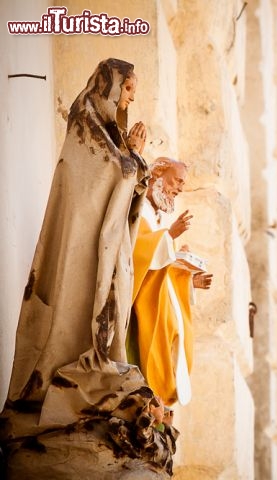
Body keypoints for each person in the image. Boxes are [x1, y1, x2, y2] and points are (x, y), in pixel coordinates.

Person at [3, 59, 151, 424]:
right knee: (75, 304)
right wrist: (131, 158)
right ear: (110, 84)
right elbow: (107, 173)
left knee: (104, 307)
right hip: (80, 243)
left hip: (103, 244)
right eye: (127, 89)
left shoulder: (112, 131)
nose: (130, 98)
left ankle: (97, 370)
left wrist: (135, 160)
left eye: (133, 91)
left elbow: (125, 178)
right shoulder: (85, 120)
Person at [130, 157, 213, 406]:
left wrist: (188, 280)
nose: (178, 189)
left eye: (182, 185)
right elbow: (137, 254)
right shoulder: (139, 208)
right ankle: (154, 396)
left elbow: (163, 267)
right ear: (157, 174)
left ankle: (161, 399)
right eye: (177, 181)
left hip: (158, 293)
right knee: (165, 330)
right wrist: (169, 236)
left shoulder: (158, 218)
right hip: (139, 300)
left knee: (180, 338)